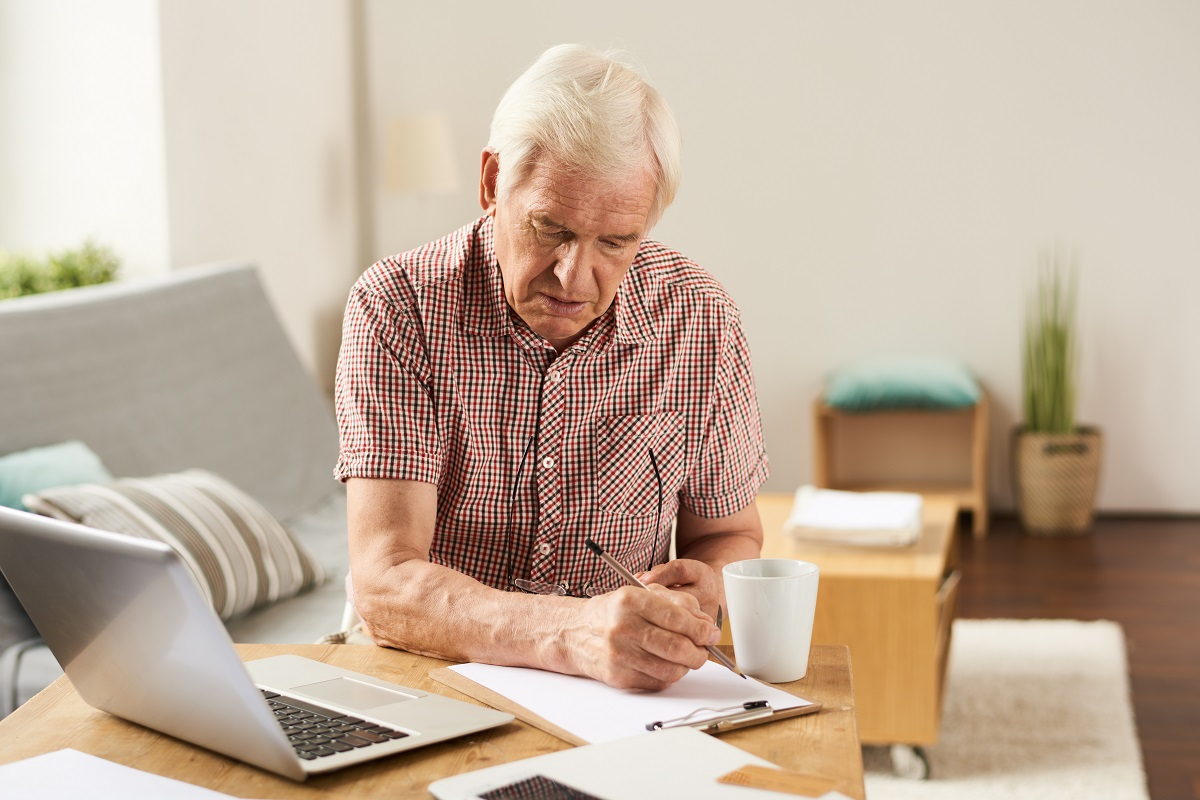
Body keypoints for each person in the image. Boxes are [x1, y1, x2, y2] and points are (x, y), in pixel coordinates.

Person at [334, 43, 768, 691]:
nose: (574, 277)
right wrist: (572, 633)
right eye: (551, 229)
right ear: (491, 183)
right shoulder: (398, 307)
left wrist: (704, 585)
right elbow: (387, 579)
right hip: (427, 672)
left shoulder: (699, 320)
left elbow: (730, 533)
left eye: (614, 243)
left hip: (618, 688)